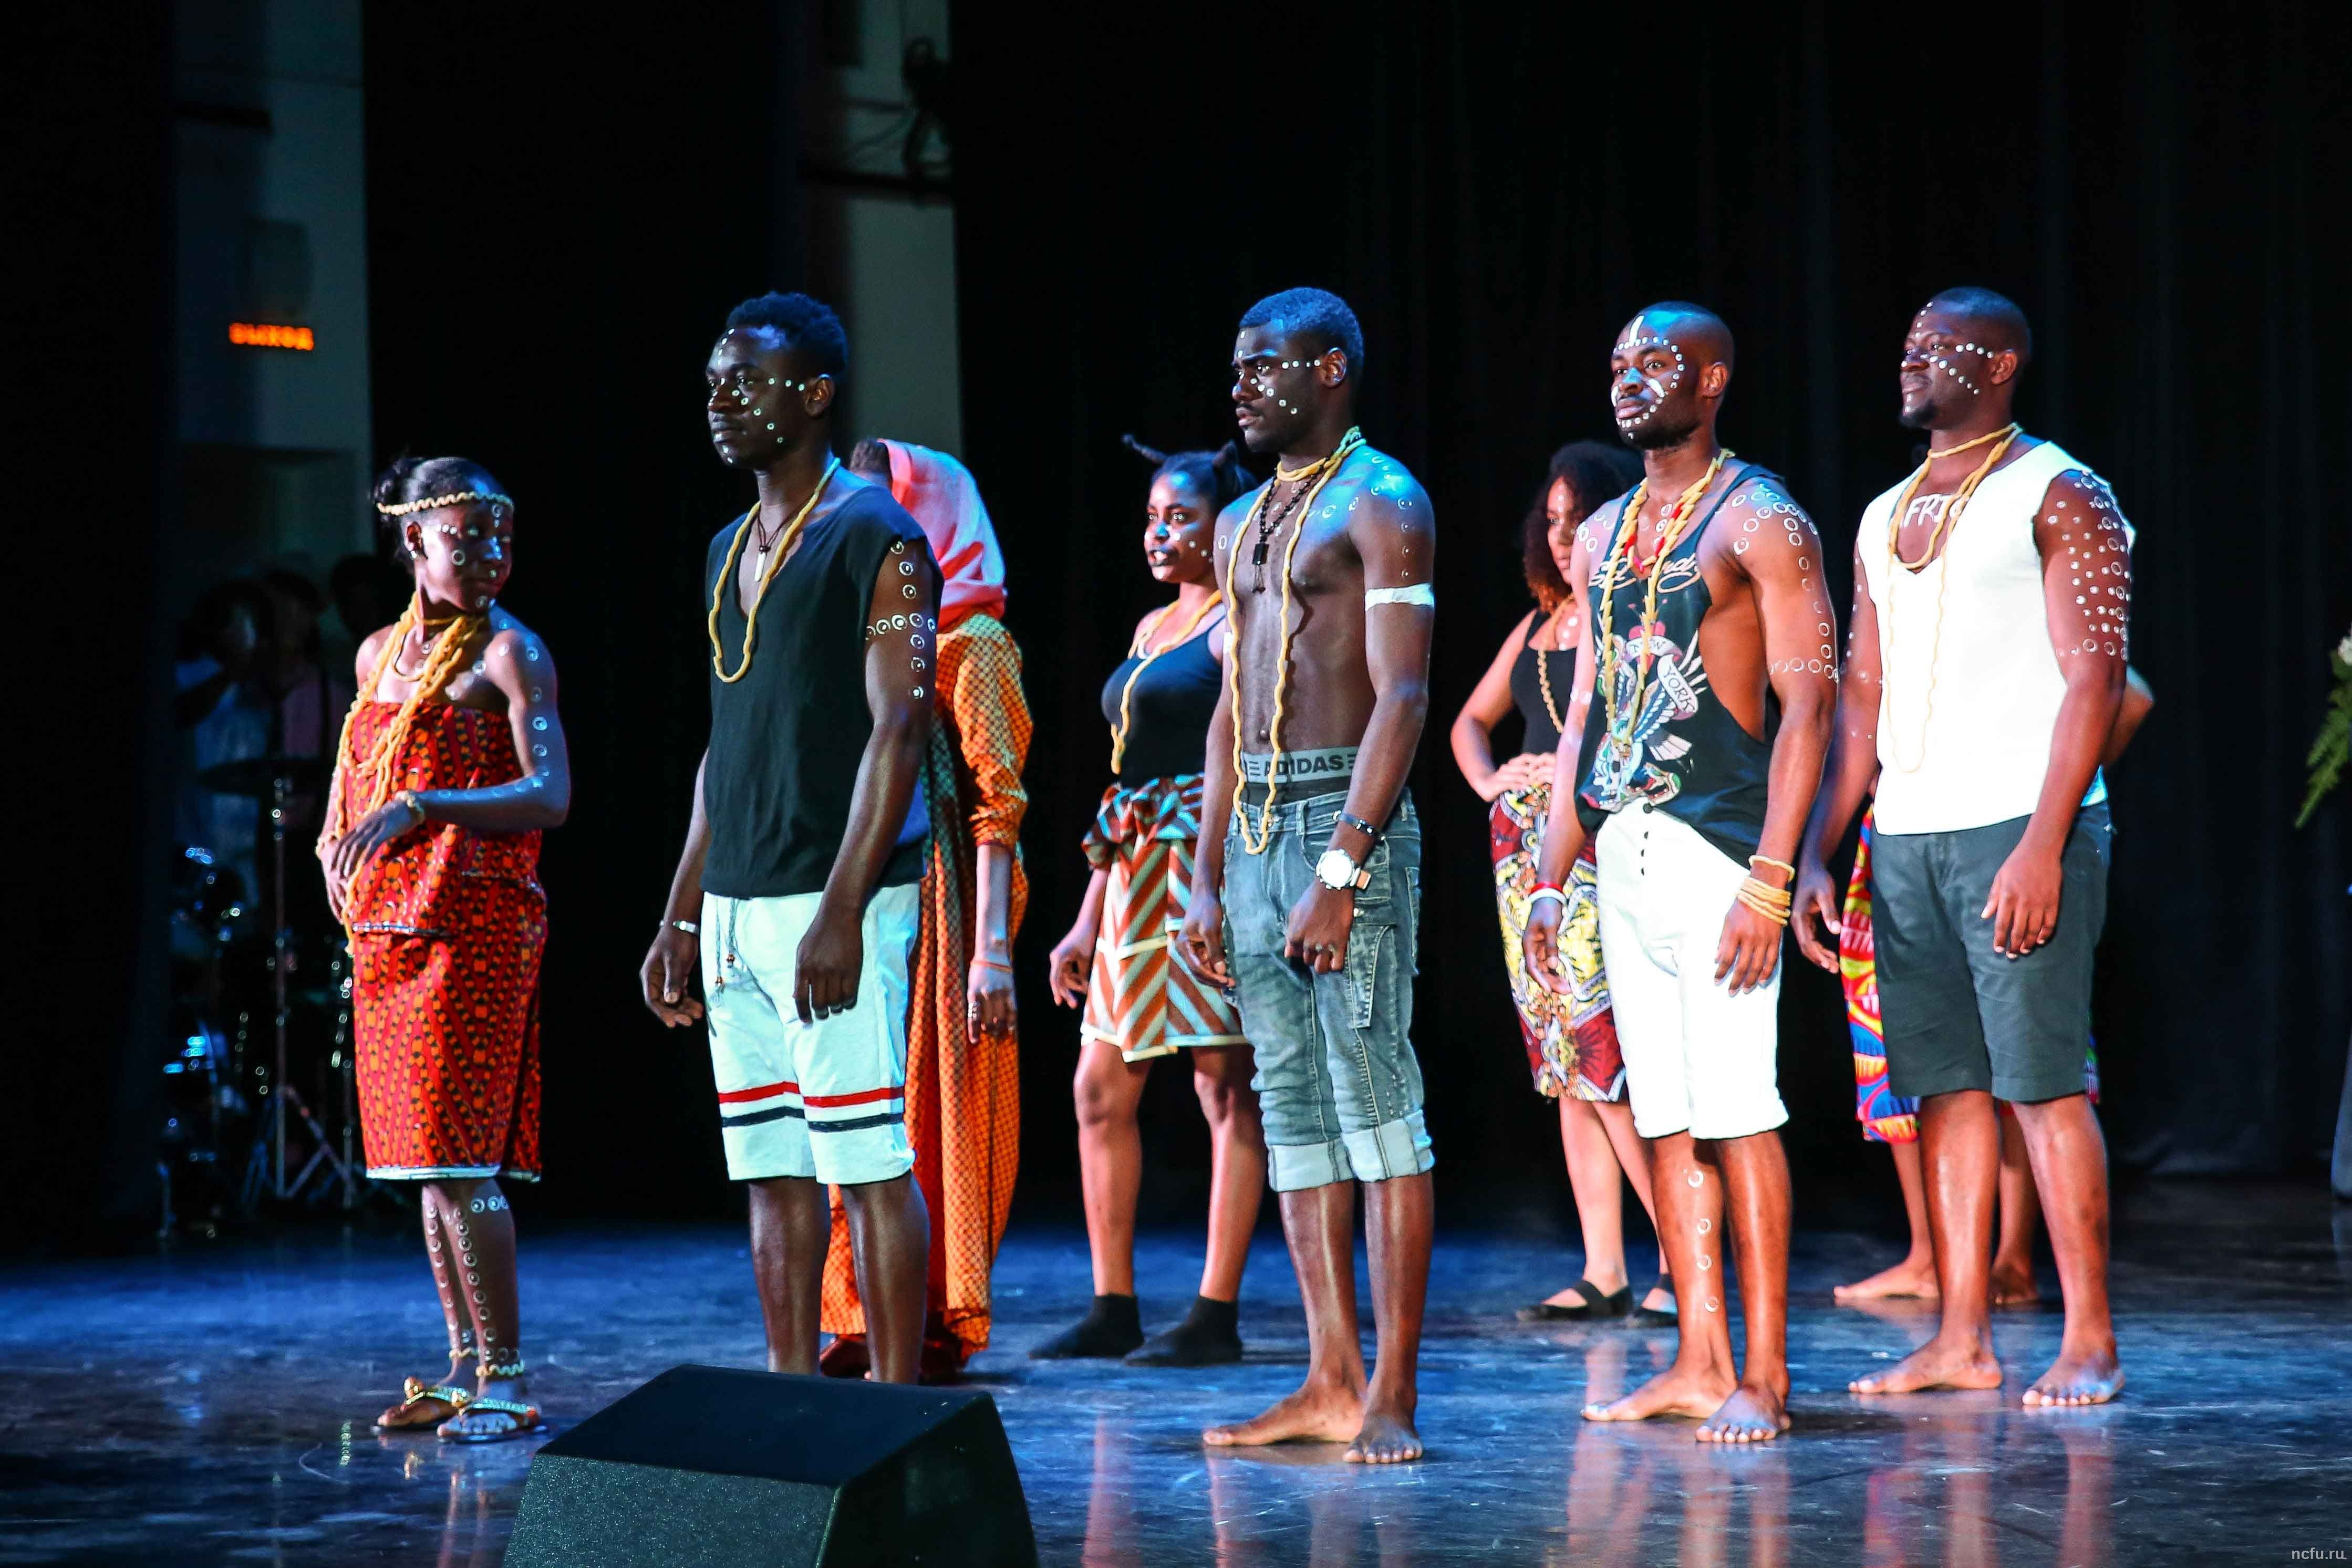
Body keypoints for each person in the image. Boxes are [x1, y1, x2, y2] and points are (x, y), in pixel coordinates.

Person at [1793, 287, 2132, 1407]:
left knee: (2040, 1089)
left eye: (1931, 350)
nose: (1908, 363)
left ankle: (2088, 1339)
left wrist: (2043, 839)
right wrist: (1816, 847)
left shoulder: (2061, 490)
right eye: (1904, 346)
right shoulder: (1883, 512)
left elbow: (2098, 678)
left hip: (2015, 827)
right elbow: (1861, 701)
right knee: (1939, 1092)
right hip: (1905, 838)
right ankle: (1960, 1339)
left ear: (1994, 364)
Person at [1524, 303, 1838, 1442]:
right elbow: (1586, 720)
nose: (1628, 380)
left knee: (1741, 1116)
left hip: (1720, 849)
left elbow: (1812, 700)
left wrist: (1771, 874)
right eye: (1616, 363)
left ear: (1712, 378)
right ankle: (1697, 1355)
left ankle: (1765, 1372)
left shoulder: (1763, 519)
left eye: (1654, 362)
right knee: (1664, 1119)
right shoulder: (1603, 530)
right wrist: (1556, 875)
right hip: (1626, 853)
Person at [640, 292, 940, 1385]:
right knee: (771, 1168)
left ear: (815, 395)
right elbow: (727, 743)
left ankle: (899, 1413)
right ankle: (791, 1397)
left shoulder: (878, 533)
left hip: (834, 896)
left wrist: (845, 906)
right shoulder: (728, 544)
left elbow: (901, 729)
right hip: (734, 900)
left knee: (865, 1163)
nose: (721, 401)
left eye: (747, 381)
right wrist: (683, 906)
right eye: (714, 381)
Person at [1180, 287, 1436, 1464]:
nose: (1241, 385)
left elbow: (1403, 694)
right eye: (1236, 366)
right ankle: (1327, 1375)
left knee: (1376, 1107)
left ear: (1331, 368)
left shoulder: (1384, 501)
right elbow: (1232, 706)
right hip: (1255, 824)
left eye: (1265, 365)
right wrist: (1202, 874)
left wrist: (1342, 866)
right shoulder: (1238, 521)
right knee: (1291, 1115)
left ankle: (1389, 1391)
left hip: (1346, 816)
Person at [319, 456, 571, 1442]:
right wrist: (332, 849)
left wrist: (425, 805)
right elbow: (354, 778)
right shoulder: (378, 655)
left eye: (500, 538)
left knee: (463, 1164)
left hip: (474, 929)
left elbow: (549, 797)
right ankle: (462, 1368)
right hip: (388, 929)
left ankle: (506, 1375)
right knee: (423, 1168)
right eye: (466, 540)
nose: (489, 557)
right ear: (414, 543)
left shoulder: (512, 655)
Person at [1037, 435, 1268, 1366]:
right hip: (1133, 877)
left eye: (1180, 517)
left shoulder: (1240, 624)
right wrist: (1086, 917)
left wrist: (1209, 880)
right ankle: (1112, 1303)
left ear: (1224, 524)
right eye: (1151, 518)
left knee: (1224, 1082)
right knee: (1100, 1085)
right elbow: (1121, 783)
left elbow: (1238, 761)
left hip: (1203, 870)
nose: (1159, 533)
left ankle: (1215, 1312)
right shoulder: (1150, 630)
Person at [1832, 669, 2151, 1306]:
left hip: (2008, 840)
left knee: (2019, 1063)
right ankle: (1930, 1258)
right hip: (1901, 840)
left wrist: (2052, 812)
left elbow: (2129, 695)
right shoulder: (1894, 594)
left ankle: (2012, 1259)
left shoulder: (2022, 596)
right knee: (1902, 1058)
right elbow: (1860, 703)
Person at [1447, 440, 1676, 1324]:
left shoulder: (1631, 615)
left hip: (1590, 854)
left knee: (1601, 1060)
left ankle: (1679, 1260)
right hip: (1521, 862)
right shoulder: (1540, 626)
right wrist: (1492, 778)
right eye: (1549, 520)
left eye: (1576, 516)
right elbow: (1470, 722)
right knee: (1562, 1069)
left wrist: (1573, 787)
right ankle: (1604, 1267)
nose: (1561, 533)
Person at [817, 437, 1029, 1383]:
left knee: (925, 1101)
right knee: (859, 1099)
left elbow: (997, 803)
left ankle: (928, 1316)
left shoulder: (972, 641)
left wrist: (989, 952)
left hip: (941, 901)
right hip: (864, 878)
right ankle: (857, 1314)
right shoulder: (875, 637)